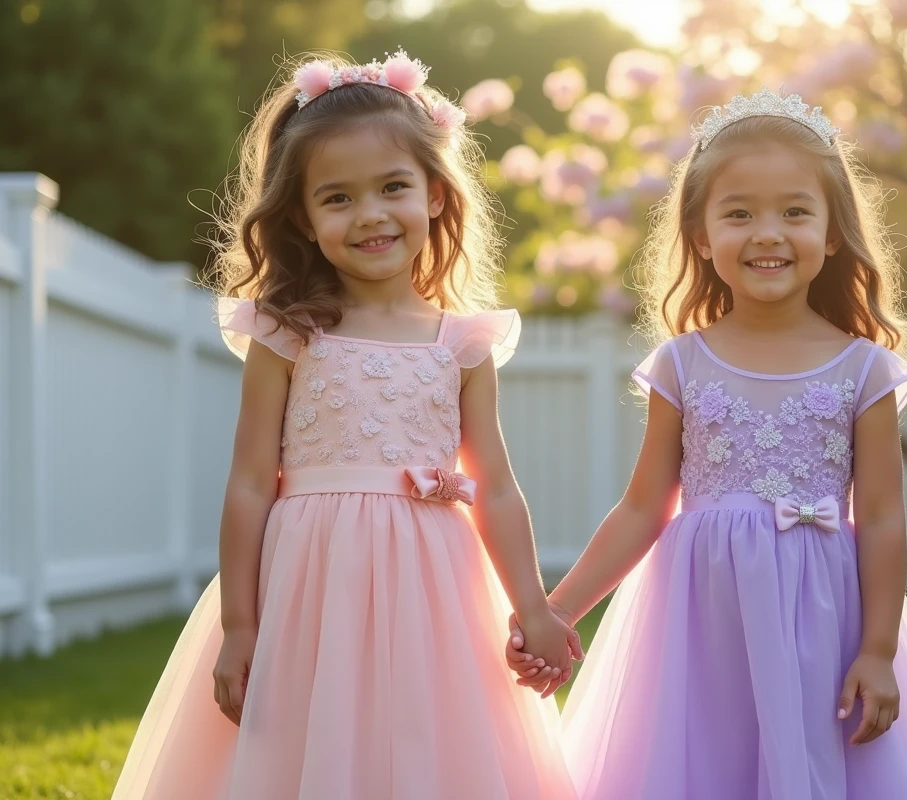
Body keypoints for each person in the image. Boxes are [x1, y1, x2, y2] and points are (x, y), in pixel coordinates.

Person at [113, 49, 579, 799]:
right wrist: (240, 625)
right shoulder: (286, 334)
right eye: (338, 198)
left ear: (435, 193)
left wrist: (533, 607)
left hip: (433, 584)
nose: (370, 215)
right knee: (311, 738)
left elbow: (495, 485)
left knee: (425, 740)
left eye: (393, 187)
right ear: (302, 217)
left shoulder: (462, 343)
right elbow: (249, 483)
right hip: (308, 583)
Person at [507, 90, 907, 800]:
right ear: (701, 236)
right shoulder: (682, 364)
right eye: (739, 214)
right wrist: (559, 610)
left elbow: (884, 516)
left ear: (832, 233)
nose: (768, 233)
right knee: (710, 758)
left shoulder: (863, 371)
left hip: (822, 612)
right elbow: (642, 508)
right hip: (702, 615)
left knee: (808, 754)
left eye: (795, 212)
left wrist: (878, 650)